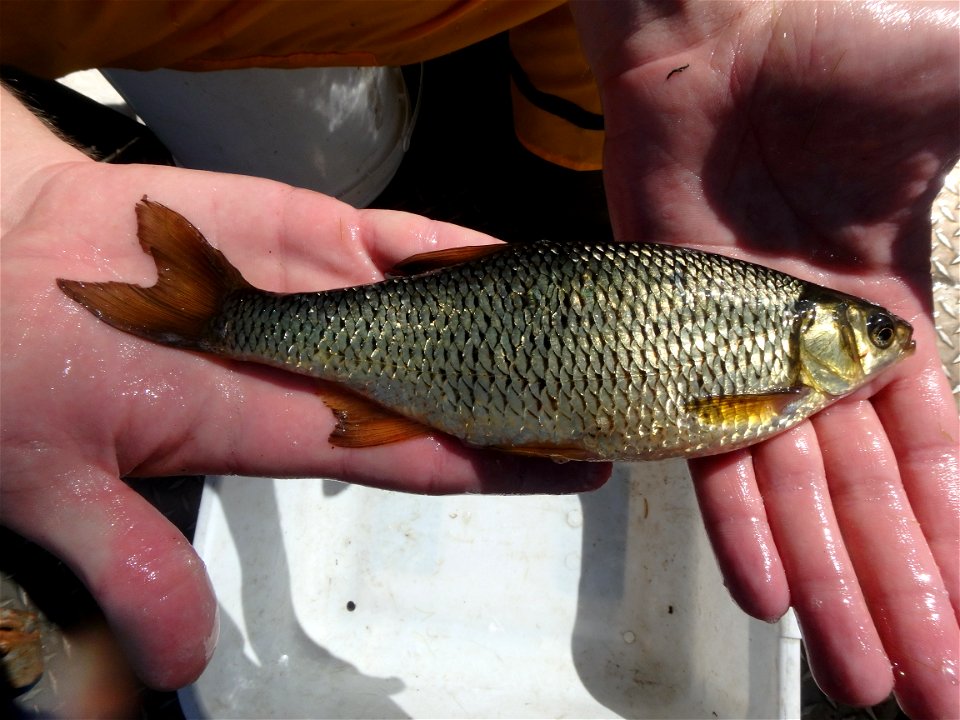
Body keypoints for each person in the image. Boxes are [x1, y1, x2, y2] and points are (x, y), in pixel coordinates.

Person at [1, 1, 957, 717]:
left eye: (873, 335)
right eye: (871, 336)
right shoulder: (772, 386)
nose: (885, 345)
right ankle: (222, 315)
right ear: (813, 339)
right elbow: (712, 418)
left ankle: (224, 310)